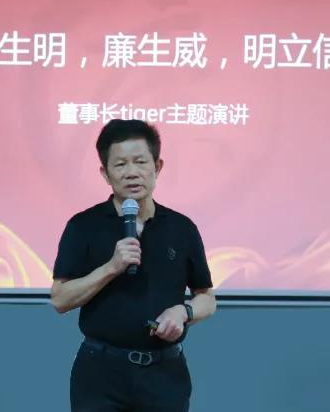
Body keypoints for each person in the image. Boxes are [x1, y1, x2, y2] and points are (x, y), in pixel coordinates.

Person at [51, 119, 216, 412]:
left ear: (157, 167)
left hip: (164, 374)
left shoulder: (182, 228)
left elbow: (206, 297)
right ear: (105, 173)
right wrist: (111, 268)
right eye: (120, 164)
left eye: (140, 162)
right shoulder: (83, 226)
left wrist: (184, 312)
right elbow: (60, 299)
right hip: (100, 374)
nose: (131, 173)